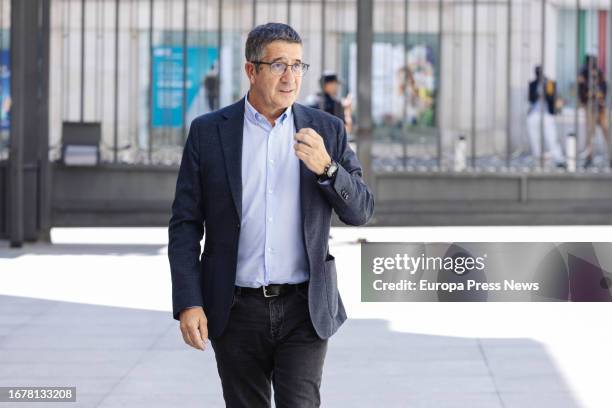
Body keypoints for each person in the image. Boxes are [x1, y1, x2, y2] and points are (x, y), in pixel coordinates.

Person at [168, 22, 374, 408]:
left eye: (298, 66)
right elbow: (184, 225)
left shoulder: (326, 130)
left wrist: (328, 169)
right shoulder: (209, 132)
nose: (290, 76)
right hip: (234, 308)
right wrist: (189, 301)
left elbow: (361, 211)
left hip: (304, 307)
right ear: (252, 70)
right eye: (279, 65)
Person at [526, 65, 565, 168]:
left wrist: (545, 88)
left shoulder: (550, 83)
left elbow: (552, 97)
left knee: (551, 136)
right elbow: (530, 98)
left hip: (547, 114)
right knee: (534, 138)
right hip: (534, 113)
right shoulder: (532, 84)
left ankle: (558, 159)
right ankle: (538, 160)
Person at [578, 55, 610, 167]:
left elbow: (604, 88)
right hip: (590, 107)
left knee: (606, 131)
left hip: (601, 108)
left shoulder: (600, 75)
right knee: (590, 132)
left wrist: (599, 96)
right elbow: (582, 91)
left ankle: (610, 157)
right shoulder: (584, 74)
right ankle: (589, 157)